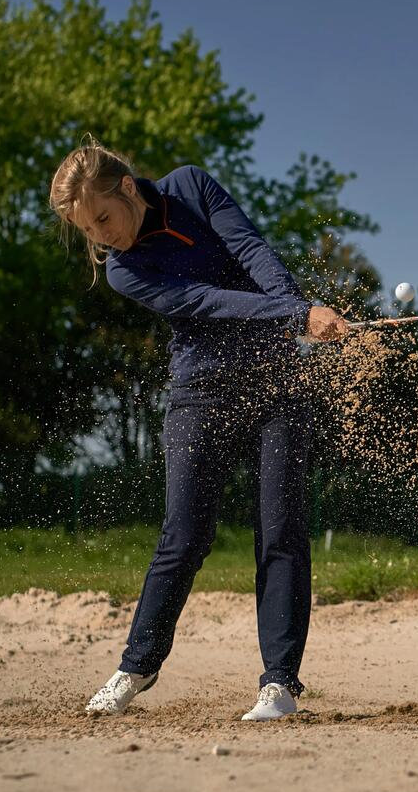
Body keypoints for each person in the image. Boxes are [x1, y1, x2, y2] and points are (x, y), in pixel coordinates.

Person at [49, 137, 349, 721]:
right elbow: (204, 301)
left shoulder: (191, 186)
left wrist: (298, 316)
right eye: (89, 231)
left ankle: (279, 685)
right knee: (184, 535)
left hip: (278, 379)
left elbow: (251, 249)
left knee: (281, 527)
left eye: (104, 218)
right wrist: (294, 314)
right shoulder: (124, 272)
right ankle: (137, 665)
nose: (103, 237)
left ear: (128, 188)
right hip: (201, 388)